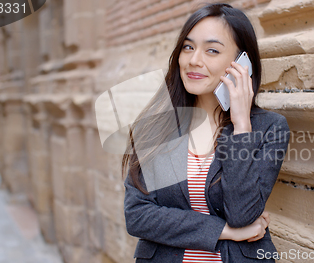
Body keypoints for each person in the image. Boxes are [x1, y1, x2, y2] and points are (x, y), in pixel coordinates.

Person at [122, 3, 290, 262]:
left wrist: (242, 126)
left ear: (241, 64)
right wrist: (223, 231)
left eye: (212, 50)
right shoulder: (155, 127)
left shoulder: (269, 128)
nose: (193, 60)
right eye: (188, 47)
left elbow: (242, 213)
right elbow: (138, 216)